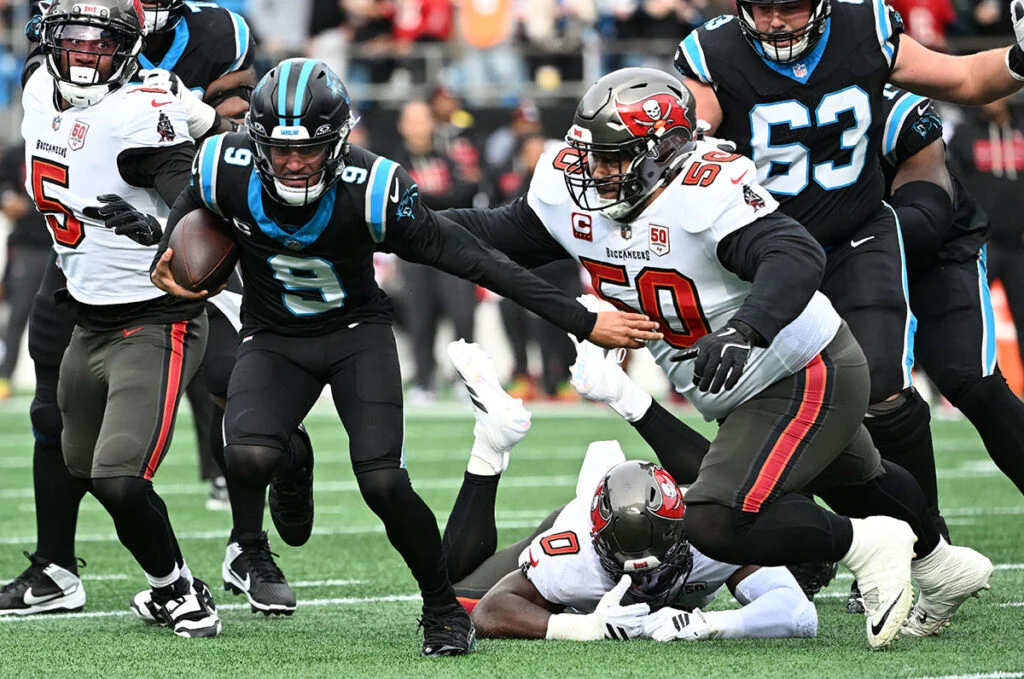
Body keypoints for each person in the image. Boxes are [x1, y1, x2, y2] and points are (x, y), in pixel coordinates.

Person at [440, 67, 994, 650]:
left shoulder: (703, 191)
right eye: (591, 157)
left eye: (613, 158)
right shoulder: (577, 198)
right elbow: (493, 232)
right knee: (861, 482)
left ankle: (866, 546)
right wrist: (408, 226)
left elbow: (794, 253)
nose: (595, 173)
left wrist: (746, 329)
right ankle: (942, 565)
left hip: (799, 366)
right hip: (742, 386)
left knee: (715, 520)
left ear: (662, 154)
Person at [148, 58, 662, 656]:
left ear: (338, 143)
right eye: (280, 150)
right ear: (256, 142)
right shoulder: (221, 165)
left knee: (385, 483)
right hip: (274, 335)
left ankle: (441, 607)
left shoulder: (373, 188)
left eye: (309, 149)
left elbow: (479, 261)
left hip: (355, 336)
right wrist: (166, 257)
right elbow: (188, 207)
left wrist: (583, 319)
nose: (293, 163)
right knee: (246, 454)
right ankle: (285, 479)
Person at [673, 0, 1024, 546]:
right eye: (762, 8)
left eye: (789, 7)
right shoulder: (714, 54)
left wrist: (1019, 57)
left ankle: (926, 541)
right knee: (776, 403)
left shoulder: (870, 37)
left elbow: (964, 82)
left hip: (878, 237)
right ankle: (835, 540)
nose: (775, 22)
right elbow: (684, 137)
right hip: (780, 252)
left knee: (904, 388)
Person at [0, 0, 264, 617]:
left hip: (154, 290)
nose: (82, 54)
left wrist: (166, 225)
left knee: (226, 392)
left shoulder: (153, 99)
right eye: (72, 40)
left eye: (98, 43)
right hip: (77, 274)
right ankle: (55, 566)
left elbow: (208, 170)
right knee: (57, 426)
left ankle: (243, 548)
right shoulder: (39, 86)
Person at [441, 340, 818, 643]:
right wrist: (582, 627)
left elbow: (798, 613)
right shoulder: (576, 554)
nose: (646, 587)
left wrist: (710, 623)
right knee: (452, 598)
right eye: (632, 575)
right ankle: (489, 448)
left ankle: (620, 392)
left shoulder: (711, 535)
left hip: (686, 504)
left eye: (655, 572)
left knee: (758, 507)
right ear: (598, 546)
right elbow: (491, 610)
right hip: (575, 516)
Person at [390, 99, 479, 402]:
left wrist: (427, 200)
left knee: (463, 315)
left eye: (422, 120)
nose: (418, 128)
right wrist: (440, 199)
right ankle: (424, 380)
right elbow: (401, 202)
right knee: (420, 317)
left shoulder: (447, 158)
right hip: (412, 252)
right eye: (412, 121)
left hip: (450, 248)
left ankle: (466, 380)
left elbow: (465, 194)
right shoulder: (394, 164)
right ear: (402, 126)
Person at [946, 94, 1024, 375]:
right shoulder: (964, 136)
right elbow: (953, 187)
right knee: (967, 314)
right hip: (982, 243)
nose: (993, 100)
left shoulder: (1021, 130)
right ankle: (961, 380)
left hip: (1019, 244)